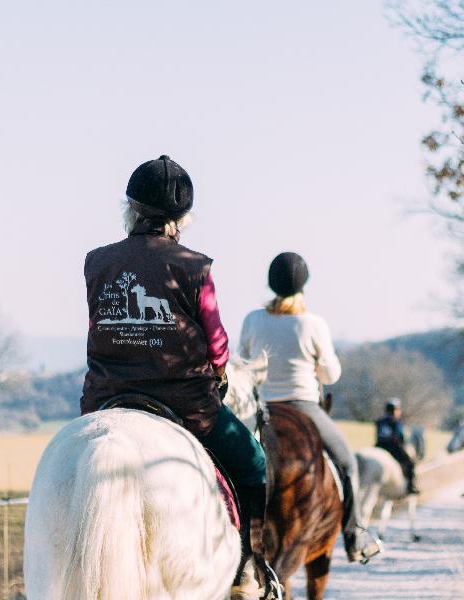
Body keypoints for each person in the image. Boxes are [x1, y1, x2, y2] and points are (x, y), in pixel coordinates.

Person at [79, 155, 273, 599]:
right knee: (255, 463)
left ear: (130, 208)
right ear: (183, 217)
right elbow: (217, 342)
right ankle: (248, 568)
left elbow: (98, 327)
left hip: (105, 398)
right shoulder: (194, 266)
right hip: (186, 404)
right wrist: (219, 371)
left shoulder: (96, 263)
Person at [239, 252, 382, 564]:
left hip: (260, 412)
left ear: (271, 283)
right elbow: (331, 375)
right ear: (304, 284)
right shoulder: (313, 324)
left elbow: (243, 363)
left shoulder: (252, 320)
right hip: (304, 408)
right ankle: (355, 535)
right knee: (347, 464)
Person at [375, 398, 420, 495]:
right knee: (410, 463)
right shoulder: (396, 422)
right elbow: (400, 437)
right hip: (393, 448)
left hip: (379, 447)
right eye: (398, 410)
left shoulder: (379, 421)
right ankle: (411, 486)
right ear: (395, 410)